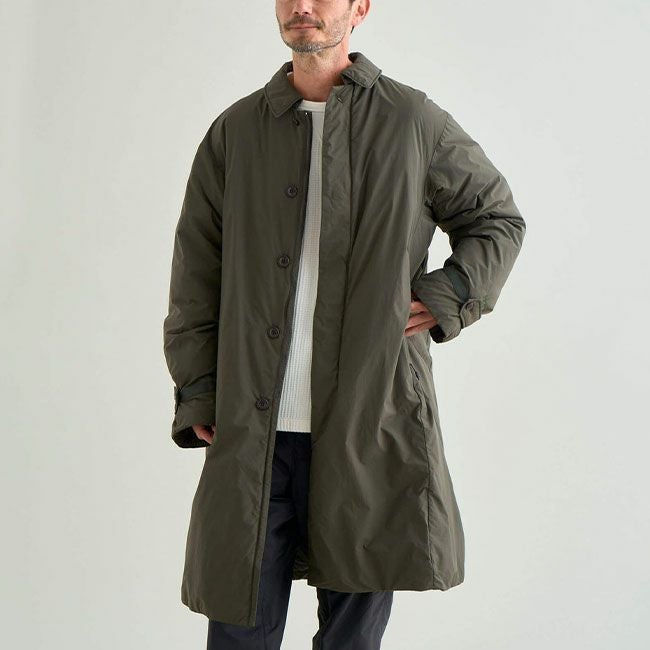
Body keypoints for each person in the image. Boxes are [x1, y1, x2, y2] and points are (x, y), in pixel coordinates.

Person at [163, 1, 526, 648]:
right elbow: (196, 274)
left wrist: (452, 292)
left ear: (359, 8)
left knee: (351, 640)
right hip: (255, 432)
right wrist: (198, 389)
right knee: (239, 634)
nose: (303, 7)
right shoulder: (238, 131)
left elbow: (495, 218)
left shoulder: (411, 120)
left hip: (371, 422)